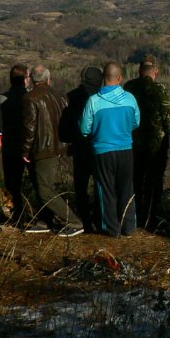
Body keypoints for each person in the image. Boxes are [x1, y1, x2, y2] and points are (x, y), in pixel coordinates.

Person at [21, 65, 83, 237]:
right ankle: (45, 220)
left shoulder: (30, 98)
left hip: (42, 147)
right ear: (48, 79)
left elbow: (29, 128)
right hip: (58, 146)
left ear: (32, 79)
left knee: (44, 189)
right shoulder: (59, 96)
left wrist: (25, 151)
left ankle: (74, 221)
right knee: (45, 185)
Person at [80, 62, 140, 237]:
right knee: (126, 188)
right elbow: (136, 122)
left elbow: (84, 129)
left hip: (103, 151)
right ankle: (128, 226)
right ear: (120, 78)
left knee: (106, 190)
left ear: (103, 79)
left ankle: (111, 228)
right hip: (126, 149)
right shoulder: (130, 99)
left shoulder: (94, 101)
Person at [124, 55, 170, 231]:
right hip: (156, 144)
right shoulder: (159, 90)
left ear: (139, 71)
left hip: (133, 141)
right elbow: (167, 117)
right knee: (154, 181)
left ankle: (132, 215)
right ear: (156, 72)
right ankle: (150, 218)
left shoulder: (129, 87)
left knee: (135, 179)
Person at [59, 66, 103, 232]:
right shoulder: (103, 97)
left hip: (80, 147)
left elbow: (66, 127)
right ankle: (99, 218)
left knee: (81, 187)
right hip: (100, 147)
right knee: (100, 185)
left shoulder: (72, 97)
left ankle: (84, 221)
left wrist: (71, 140)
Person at [0, 64, 31, 225]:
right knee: (38, 184)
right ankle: (41, 216)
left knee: (13, 184)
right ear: (26, 79)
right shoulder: (31, 97)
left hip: (10, 145)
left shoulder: (2, 99)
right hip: (30, 145)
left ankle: (18, 215)